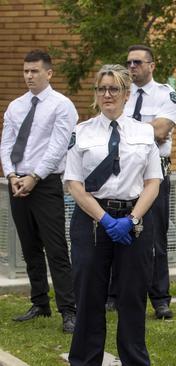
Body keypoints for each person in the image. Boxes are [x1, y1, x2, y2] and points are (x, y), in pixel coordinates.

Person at [65, 64, 162, 366]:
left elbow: (153, 183)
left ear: (126, 93)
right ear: (96, 93)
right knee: (89, 295)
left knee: (133, 297)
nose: (107, 94)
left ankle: (134, 359)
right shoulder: (80, 132)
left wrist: (131, 219)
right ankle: (84, 360)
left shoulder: (144, 132)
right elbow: (74, 185)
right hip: (92, 220)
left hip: (133, 219)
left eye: (114, 89)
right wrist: (105, 220)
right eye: (101, 89)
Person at [1, 49, 77, 333]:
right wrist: (11, 174)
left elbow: (58, 146)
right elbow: (6, 143)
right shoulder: (16, 106)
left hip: (45, 184)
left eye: (34, 71)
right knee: (30, 247)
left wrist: (34, 176)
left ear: (49, 73)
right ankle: (39, 303)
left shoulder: (62, 106)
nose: (29, 76)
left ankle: (69, 310)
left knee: (56, 249)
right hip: (17, 183)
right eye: (25, 71)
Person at [105, 44, 176, 319]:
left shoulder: (165, 94)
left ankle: (160, 299)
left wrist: (126, 130)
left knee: (155, 239)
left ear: (152, 65)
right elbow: (107, 124)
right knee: (114, 230)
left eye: (137, 62)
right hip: (121, 171)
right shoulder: (118, 93)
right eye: (128, 62)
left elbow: (160, 131)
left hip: (154, 173)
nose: (132, 67)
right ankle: (113, 294)